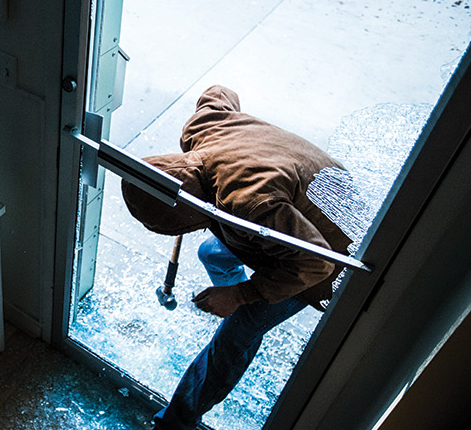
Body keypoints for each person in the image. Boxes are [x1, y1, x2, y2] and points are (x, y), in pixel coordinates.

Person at [121, 85, 352, 430]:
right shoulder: (203, 128)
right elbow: (218, 90)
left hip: (332, 249)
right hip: (299, 204)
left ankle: (176, 422)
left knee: (241, 326)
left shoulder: (248, 202)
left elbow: (316, 263)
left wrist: (241, 296)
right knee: (212, 251)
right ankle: (242, 308)